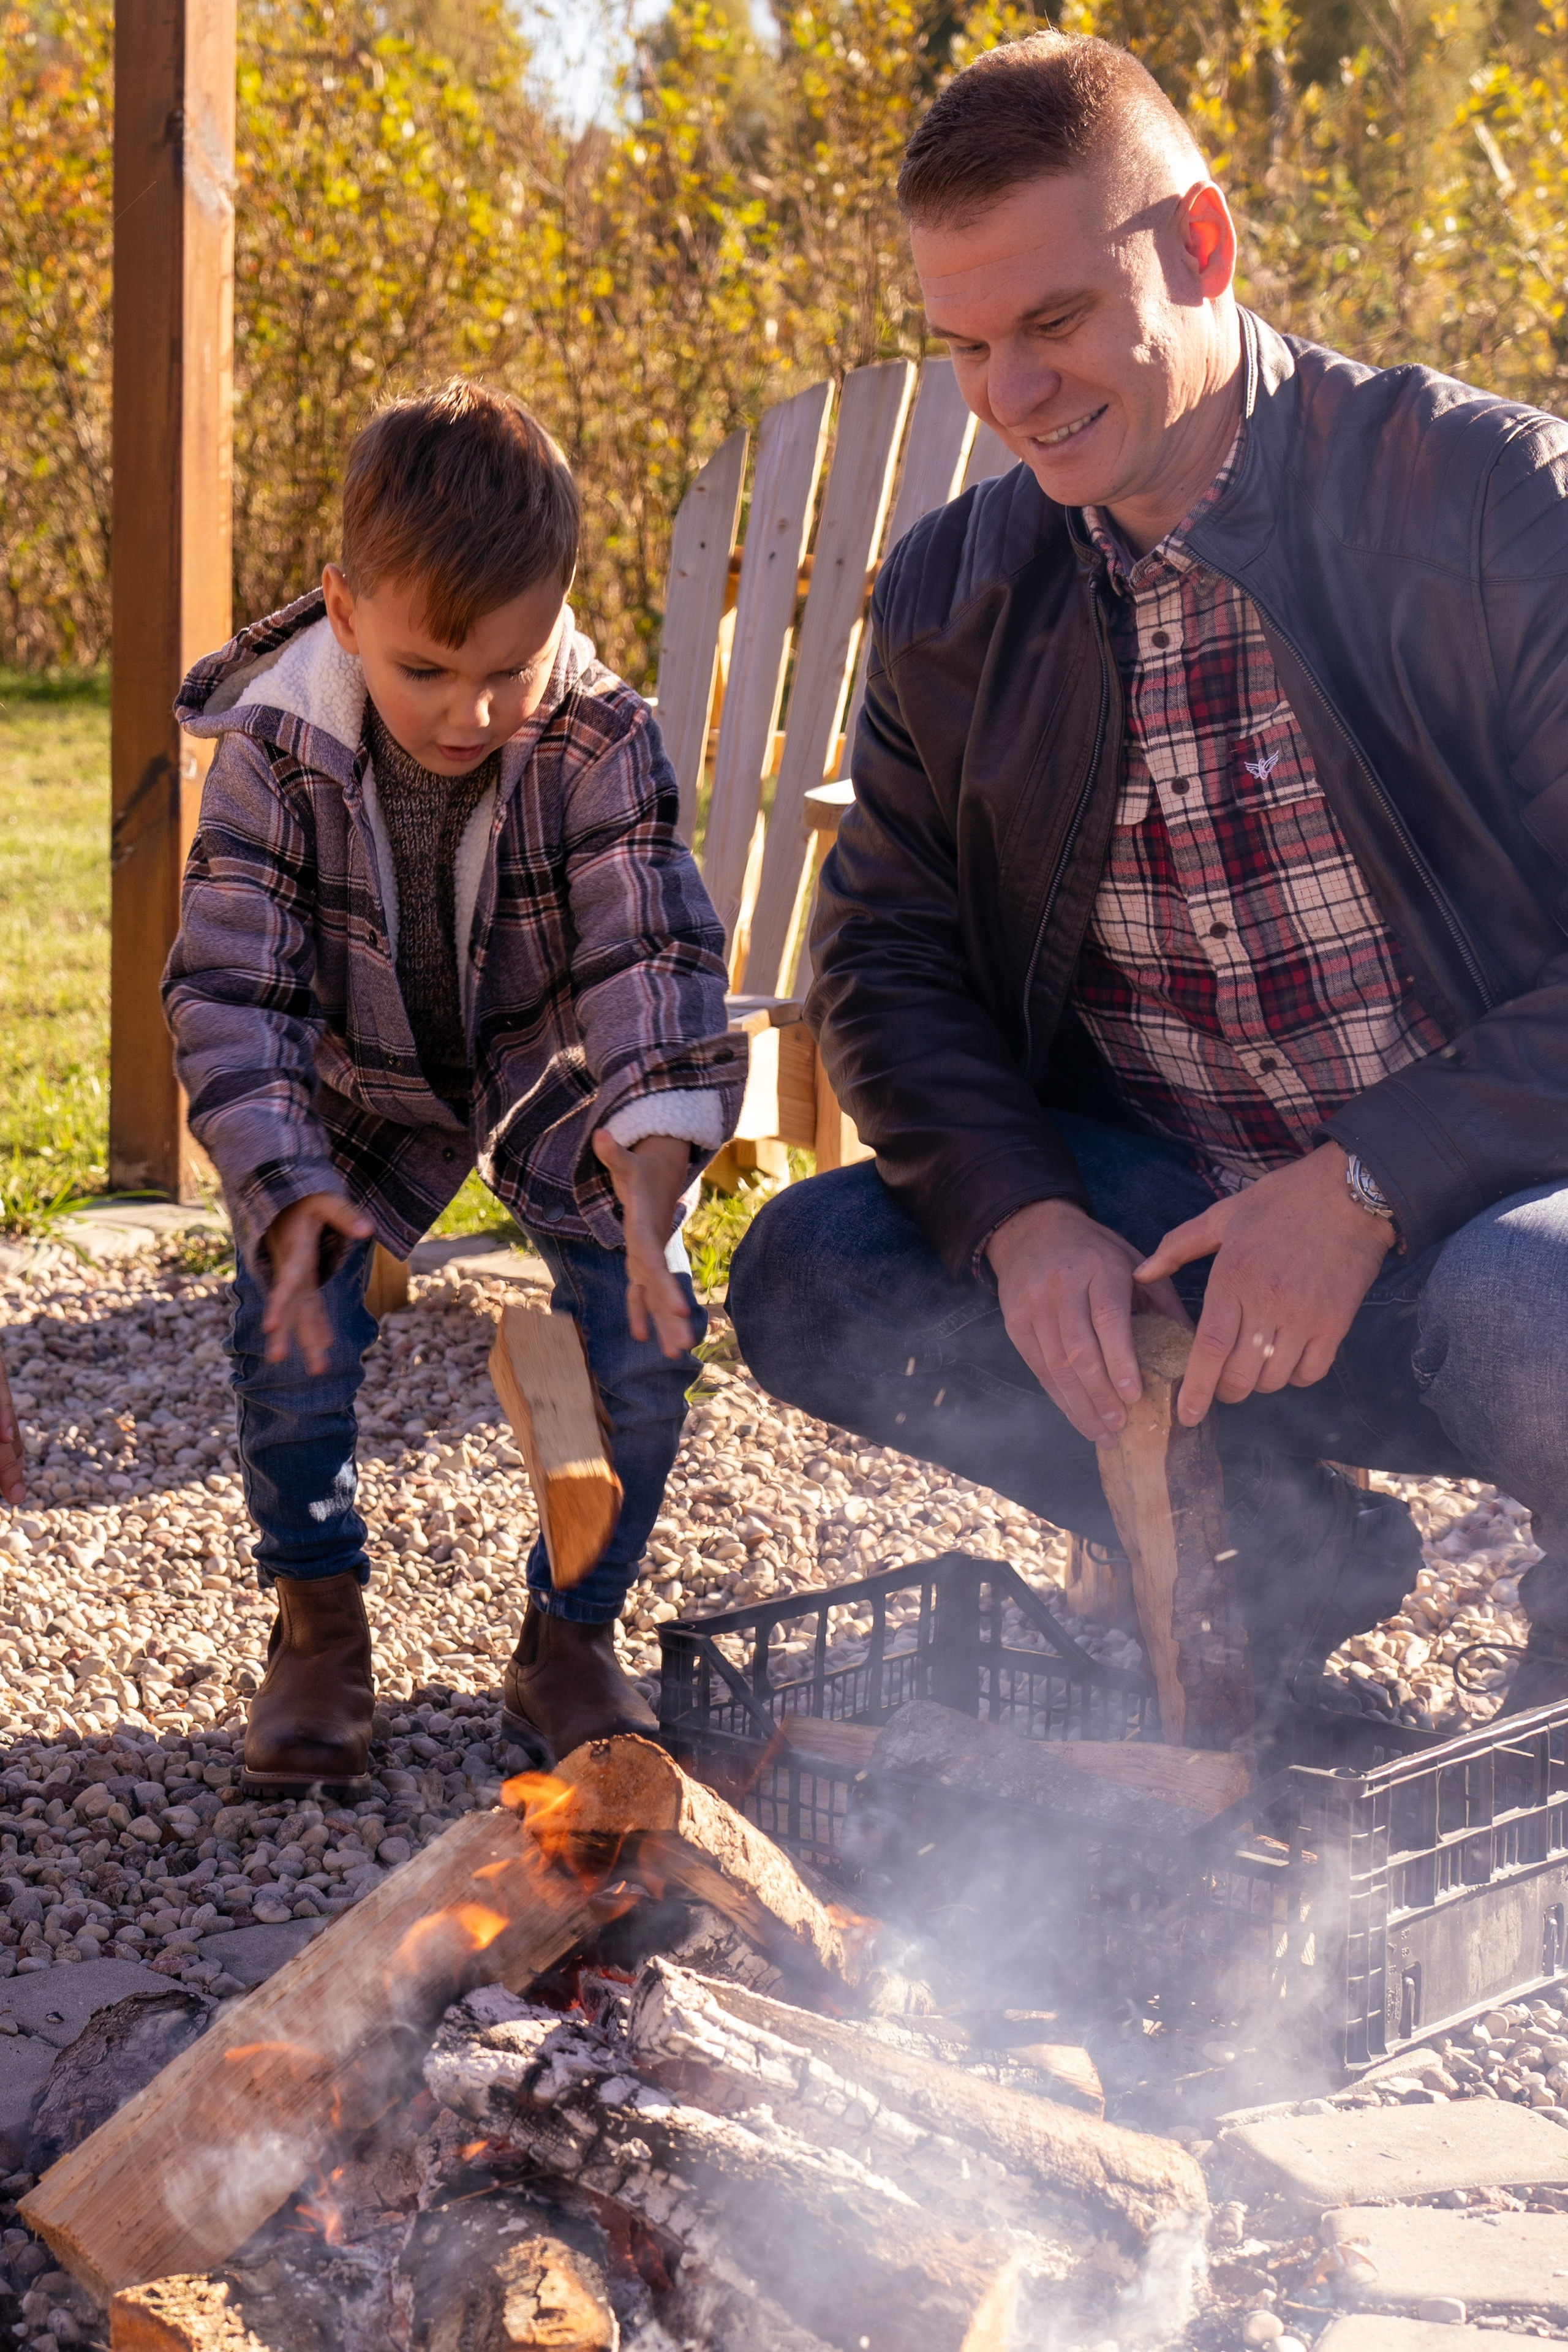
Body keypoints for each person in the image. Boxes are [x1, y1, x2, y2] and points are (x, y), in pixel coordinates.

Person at [729, 31, 1568, 1722]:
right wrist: (1025, 1217)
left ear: (1204, 247)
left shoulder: (1492, 504)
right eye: (965, 345)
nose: (1009, 395)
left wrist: (1364, 1184)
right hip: (1178, 1250)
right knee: (818, 1269)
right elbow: (886, 959)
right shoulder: (952, 598)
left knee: (1530, 1307)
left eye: (1051, 323)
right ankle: (1271, 1542)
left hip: (1487, 1229)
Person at [165, 381, 744, 1790]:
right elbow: (234, 990)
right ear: (346, 612)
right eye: (427, 669)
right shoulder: (275, 751)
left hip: (551, 1075)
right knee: (285, 1340)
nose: (472, 710)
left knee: (645, 1339)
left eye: (512, 666)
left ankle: (571, 1635)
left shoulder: (601, 738)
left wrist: (656, 1155)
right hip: (352, 1079)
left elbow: (644, 946)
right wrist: (283, 1181)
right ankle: (316, 1620)